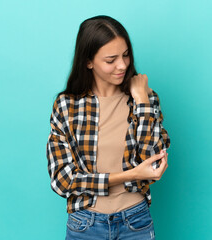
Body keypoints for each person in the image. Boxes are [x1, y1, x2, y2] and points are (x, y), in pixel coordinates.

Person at [46, 15, 170, 240]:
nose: (122, 65)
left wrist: (142, 100)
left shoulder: (145, 100)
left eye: (125, 55)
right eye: (111, 59)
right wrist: (131, 175)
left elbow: (151, 161)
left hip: (136, 222)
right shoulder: (66, 106)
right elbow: (63, 180)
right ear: (88, 61)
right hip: (85, 224)